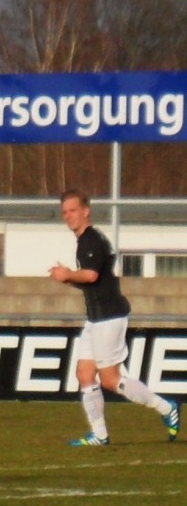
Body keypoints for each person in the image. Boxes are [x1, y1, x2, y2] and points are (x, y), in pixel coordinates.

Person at [48, 189, 179, 446]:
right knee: (85, 374)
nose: (68, 216)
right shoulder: (85, 241)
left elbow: (91, 276)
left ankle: (166, 408)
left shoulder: (91, 240)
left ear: (86, 211)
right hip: (95, 318)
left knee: (110, 380)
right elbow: (94, 281)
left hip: (109, 318)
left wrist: (67, 274)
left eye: (73, 210)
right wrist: (68, 278)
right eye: (64, 212)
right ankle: (99, 434)